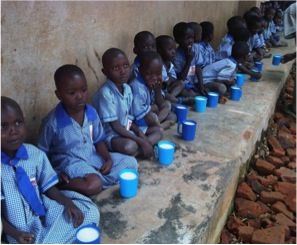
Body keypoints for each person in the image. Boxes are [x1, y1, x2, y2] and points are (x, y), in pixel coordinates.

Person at [1, 96, 99, 244]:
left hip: (45, 213)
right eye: (3, 126)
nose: (13, 131)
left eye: (18, 122)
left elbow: (49, 188)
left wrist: (68, 204)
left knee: (89, 212)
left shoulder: (34, 154)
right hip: (21, 232)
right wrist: (16, 234)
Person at [38, 64, 138, 196]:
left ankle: (97, 180)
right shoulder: (52, 122)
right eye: (72, 93)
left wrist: (108, 159)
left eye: (84, 90)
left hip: (92, 157)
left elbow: (98, 140)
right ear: (59, 95)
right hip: (70, 164)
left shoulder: (91, 113)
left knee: (131, 163)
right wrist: (55, 174)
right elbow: (41, 154)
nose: (80, 96)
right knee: (93, 184)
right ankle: (61, 184)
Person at [92, 48, 161, 158]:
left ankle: (140, 151)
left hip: (126, 130)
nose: (123, 71)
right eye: (116, 68)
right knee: (130, 146)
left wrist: (139, 133)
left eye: (125, 66)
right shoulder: (105, 93)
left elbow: (128, 119)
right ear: (105, 72)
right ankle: (142, 149)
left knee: (158, 131)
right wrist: (141, 141)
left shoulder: (127, 89)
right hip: (111, 135)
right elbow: (115, 126)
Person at [130, 51, 177, 130]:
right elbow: (137, 112)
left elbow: (160, 103)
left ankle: (157, 124)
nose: (154, 78)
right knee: (153, 116)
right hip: (139, 119)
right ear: (140, 70)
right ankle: (160, 126)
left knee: (169, 107)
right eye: (149, 74)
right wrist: (153, 108)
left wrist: (157, 90)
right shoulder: (137, 87)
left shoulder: (154, 83)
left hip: (151, 115)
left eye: (158, 74)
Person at [173, 22, 207, 99]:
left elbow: (198, 68)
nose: (191, 41)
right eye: (187, 38)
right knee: (191, 95)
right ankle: (182, 100)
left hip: (193, 83)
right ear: (178, 40)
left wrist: (201, 85)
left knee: (211, 89)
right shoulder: (176, 56)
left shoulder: (196, 48)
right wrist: (188, 61)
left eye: (192, 37)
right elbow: (181, 78)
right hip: (183, 85)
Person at [156, 35, 184, 103]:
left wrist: (169, 79)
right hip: (159, 92)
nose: (174, 52)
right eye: (170, 49)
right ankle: (177, 100)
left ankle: (172, 97)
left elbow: (173, 79)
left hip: (167, 89)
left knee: (180, 83)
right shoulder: (158, 65)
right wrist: (169, 79)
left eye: (174, 49)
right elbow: (164, 82)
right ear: (159, 51)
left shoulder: (170, 64)